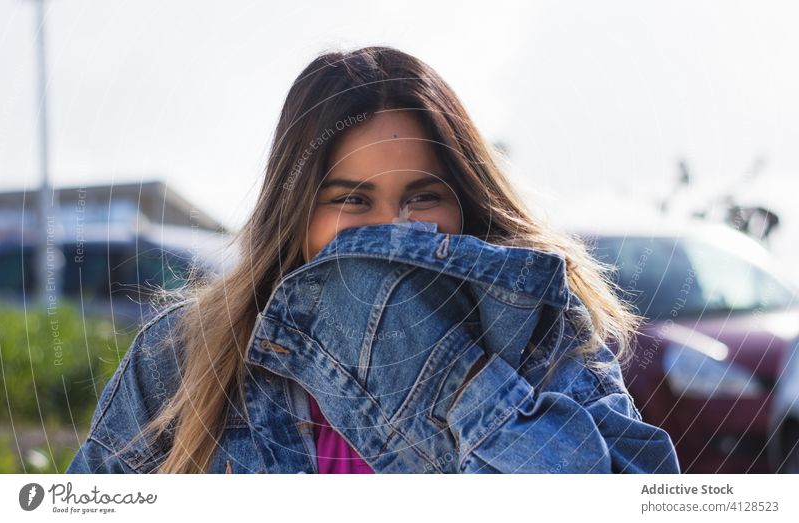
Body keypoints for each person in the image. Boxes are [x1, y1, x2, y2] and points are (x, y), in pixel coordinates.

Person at [66, 46, 680, 474]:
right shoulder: (181, 357)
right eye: (352, 200)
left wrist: (451, 375)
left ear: (464, 204)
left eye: (421, 197)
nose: (391, 232)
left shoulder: (543, 335)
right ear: (297, 213)